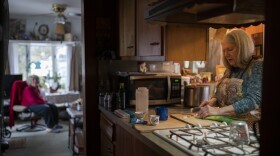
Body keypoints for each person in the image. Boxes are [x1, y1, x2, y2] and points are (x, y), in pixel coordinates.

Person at [197, 29, 263, 122]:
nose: (226, 54)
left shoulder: (257, 67)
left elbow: (253, 101)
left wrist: (218, 111)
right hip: (226, 123)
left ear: (243, 48)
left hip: (247, 127)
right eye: (224, 50)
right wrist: (212, 102)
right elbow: (221, 94)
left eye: (230, 49)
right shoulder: (229, 70)